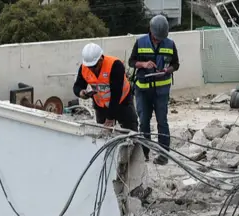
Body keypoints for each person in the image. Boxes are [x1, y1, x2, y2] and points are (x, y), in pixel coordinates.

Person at [128, 15, 180, 165]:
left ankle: (163, 156)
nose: (158, 40)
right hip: (143, 91)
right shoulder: (140, 42)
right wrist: (143, 65)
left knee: (162, 122)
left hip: (161, 91)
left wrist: (168, 70)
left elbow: (176, 64)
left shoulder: (170, 44)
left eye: (160, 38)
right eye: (156, 38)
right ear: (150, 30)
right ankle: (144, 154)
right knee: (144, 122)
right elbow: (132, 62)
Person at [73, 43, 138, 132]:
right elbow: (77, 86)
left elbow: (116, 94)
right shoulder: (84, 68)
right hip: (101, 106)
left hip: (122, 102)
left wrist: (110, 118)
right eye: (89, 67)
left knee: (130, 132)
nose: (91, 69)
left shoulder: (115, 65)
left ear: (100, 59)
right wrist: (81, 92)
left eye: (94, 66)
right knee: (103, 135)